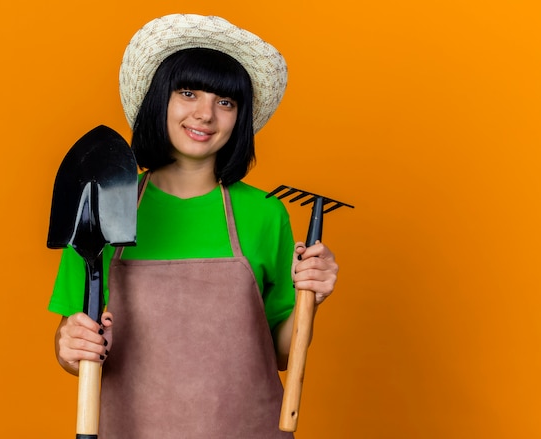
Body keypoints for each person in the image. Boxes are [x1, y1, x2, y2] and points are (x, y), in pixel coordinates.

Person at [49, 13, 339, 439]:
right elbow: (71, 345)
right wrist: (70, 347)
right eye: (188, 93)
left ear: (239, 117)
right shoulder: (102, 206)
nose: (205, 114)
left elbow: (281, 353)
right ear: (158, 99)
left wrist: (312, 294)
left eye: (226, 102)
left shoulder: (265, 213)